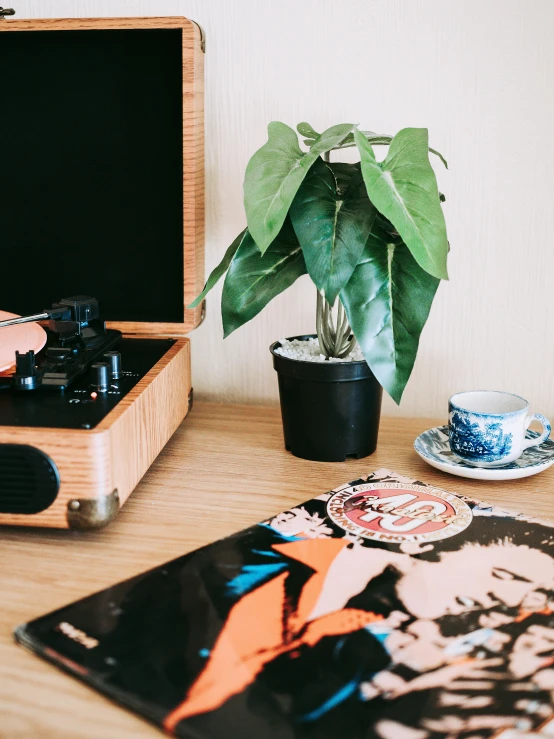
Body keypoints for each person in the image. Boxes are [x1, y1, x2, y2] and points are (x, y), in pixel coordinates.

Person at [163, 509, 554, 734]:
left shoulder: (381, 643)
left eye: (526, 596)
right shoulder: (251, 557)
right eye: (505, 578)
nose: (506, 600)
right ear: (424, 545)